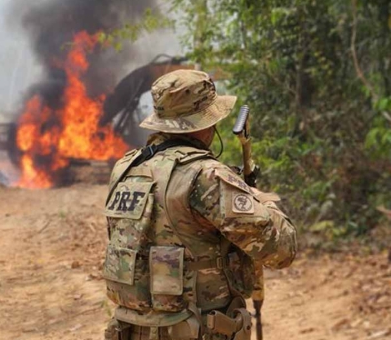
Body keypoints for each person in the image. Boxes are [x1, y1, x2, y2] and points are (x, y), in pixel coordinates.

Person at [102, 69, 297, 340]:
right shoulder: (206, 176)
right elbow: (282, 250)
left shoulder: (126, 168)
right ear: (205, 124)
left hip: (130, 330)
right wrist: (261, 199)